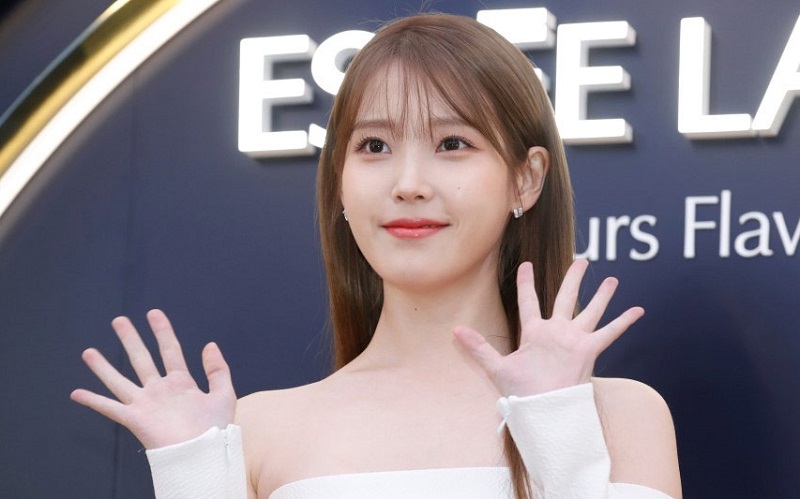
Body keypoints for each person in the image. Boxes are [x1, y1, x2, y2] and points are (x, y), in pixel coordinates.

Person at [71, 13, 682, 499]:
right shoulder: (258, 430)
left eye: (452, 142)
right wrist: (193, 474)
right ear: (340, 182)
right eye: (374, 146)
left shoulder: (621, 416)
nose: (408, 183)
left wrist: (555, 422)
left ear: (526, 179)